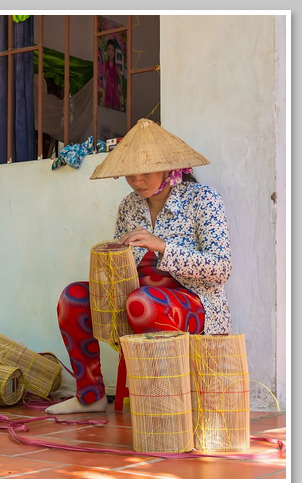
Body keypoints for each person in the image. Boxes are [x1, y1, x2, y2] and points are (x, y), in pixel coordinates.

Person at [45, 118, 232, 415]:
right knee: (74, 298)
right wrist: (111, 263)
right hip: (134, 301)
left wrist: (161, 246)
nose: (137, 181)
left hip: (194, 307)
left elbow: (221, 268)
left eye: (144, 172)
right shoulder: (128, 206)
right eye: (130, 174)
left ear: (170, 167)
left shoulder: (202, 200)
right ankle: (90, 394)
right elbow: (124, 273)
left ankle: (163, 399)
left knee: (142, 302)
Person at [102, 39, 122, 111]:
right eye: (109, 49)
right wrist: (106, 75)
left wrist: (119, 91)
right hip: (108, 88)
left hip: (114, 89)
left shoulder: (115, 66)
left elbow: (121, 79)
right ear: (107, 50)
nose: (111, 52)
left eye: (113, 50)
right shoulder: (106, 63)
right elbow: (104, 77)